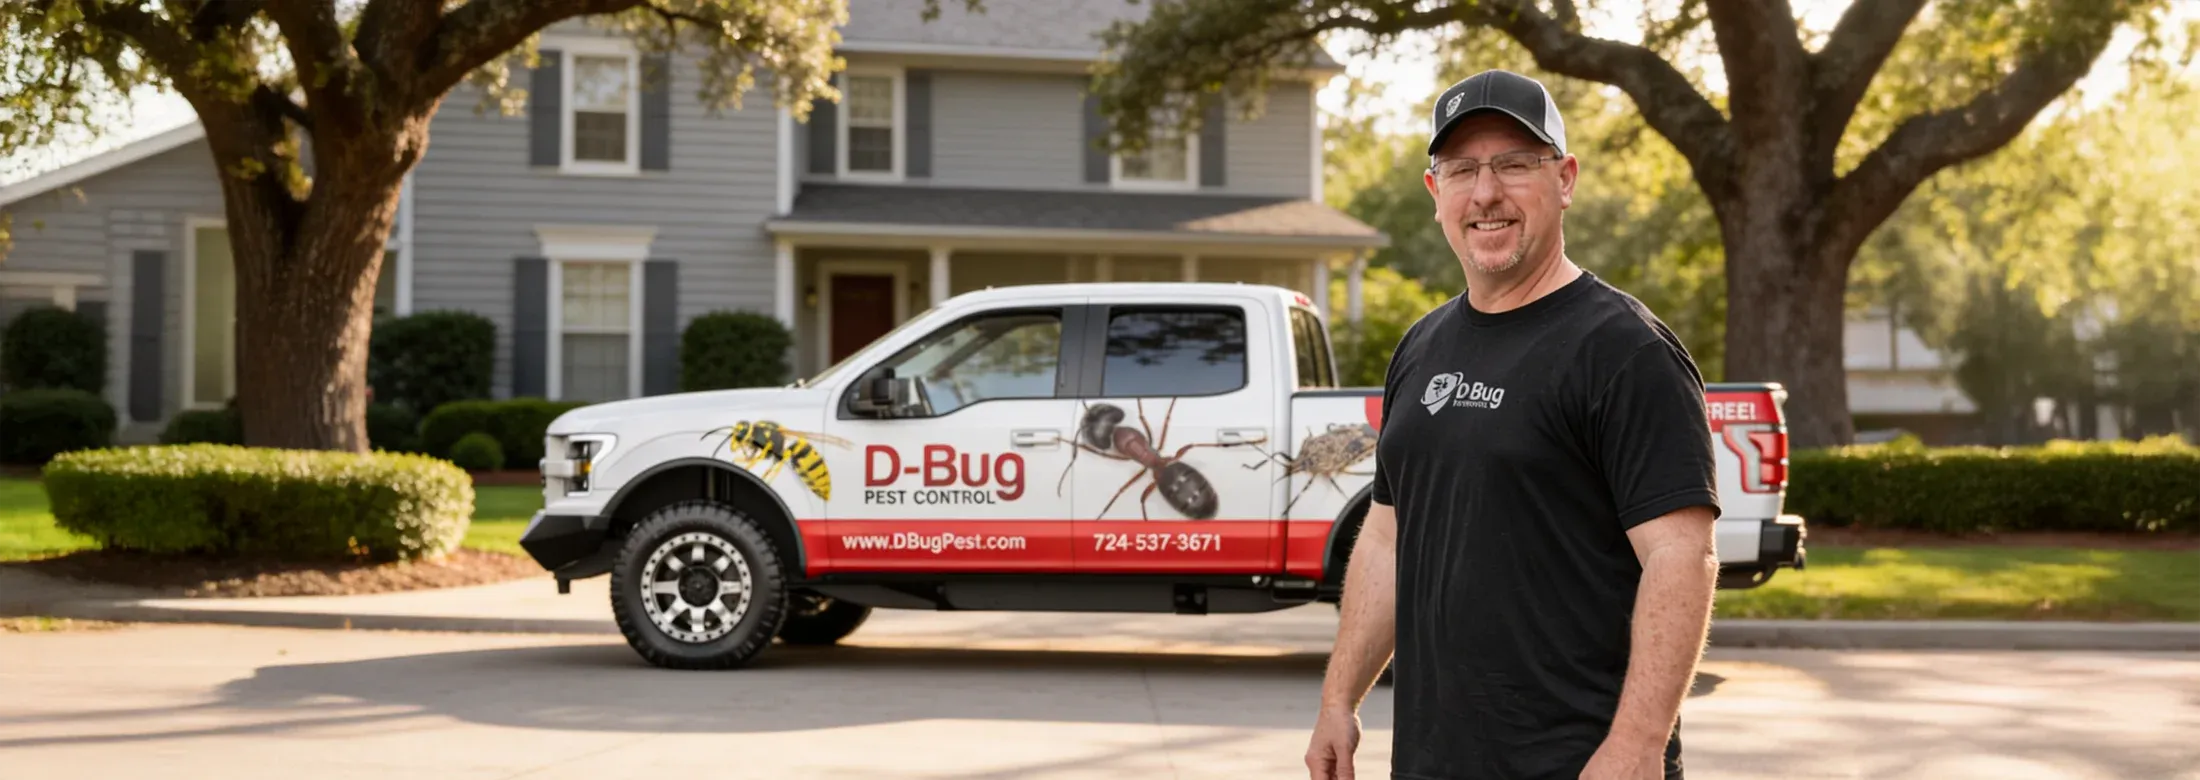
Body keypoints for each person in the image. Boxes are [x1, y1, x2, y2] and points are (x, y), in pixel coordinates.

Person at [1304, 69, 1723, 780]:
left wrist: (1637, 745)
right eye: (1462, 169)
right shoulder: (1422, 346)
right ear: (1437, 193)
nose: (1486, 192)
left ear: (1565, 179)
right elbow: (1386, 536)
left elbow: (1681, 557)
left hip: (1580, 762)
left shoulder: (1624, 350)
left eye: (1514, 165)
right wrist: (1339, 697)